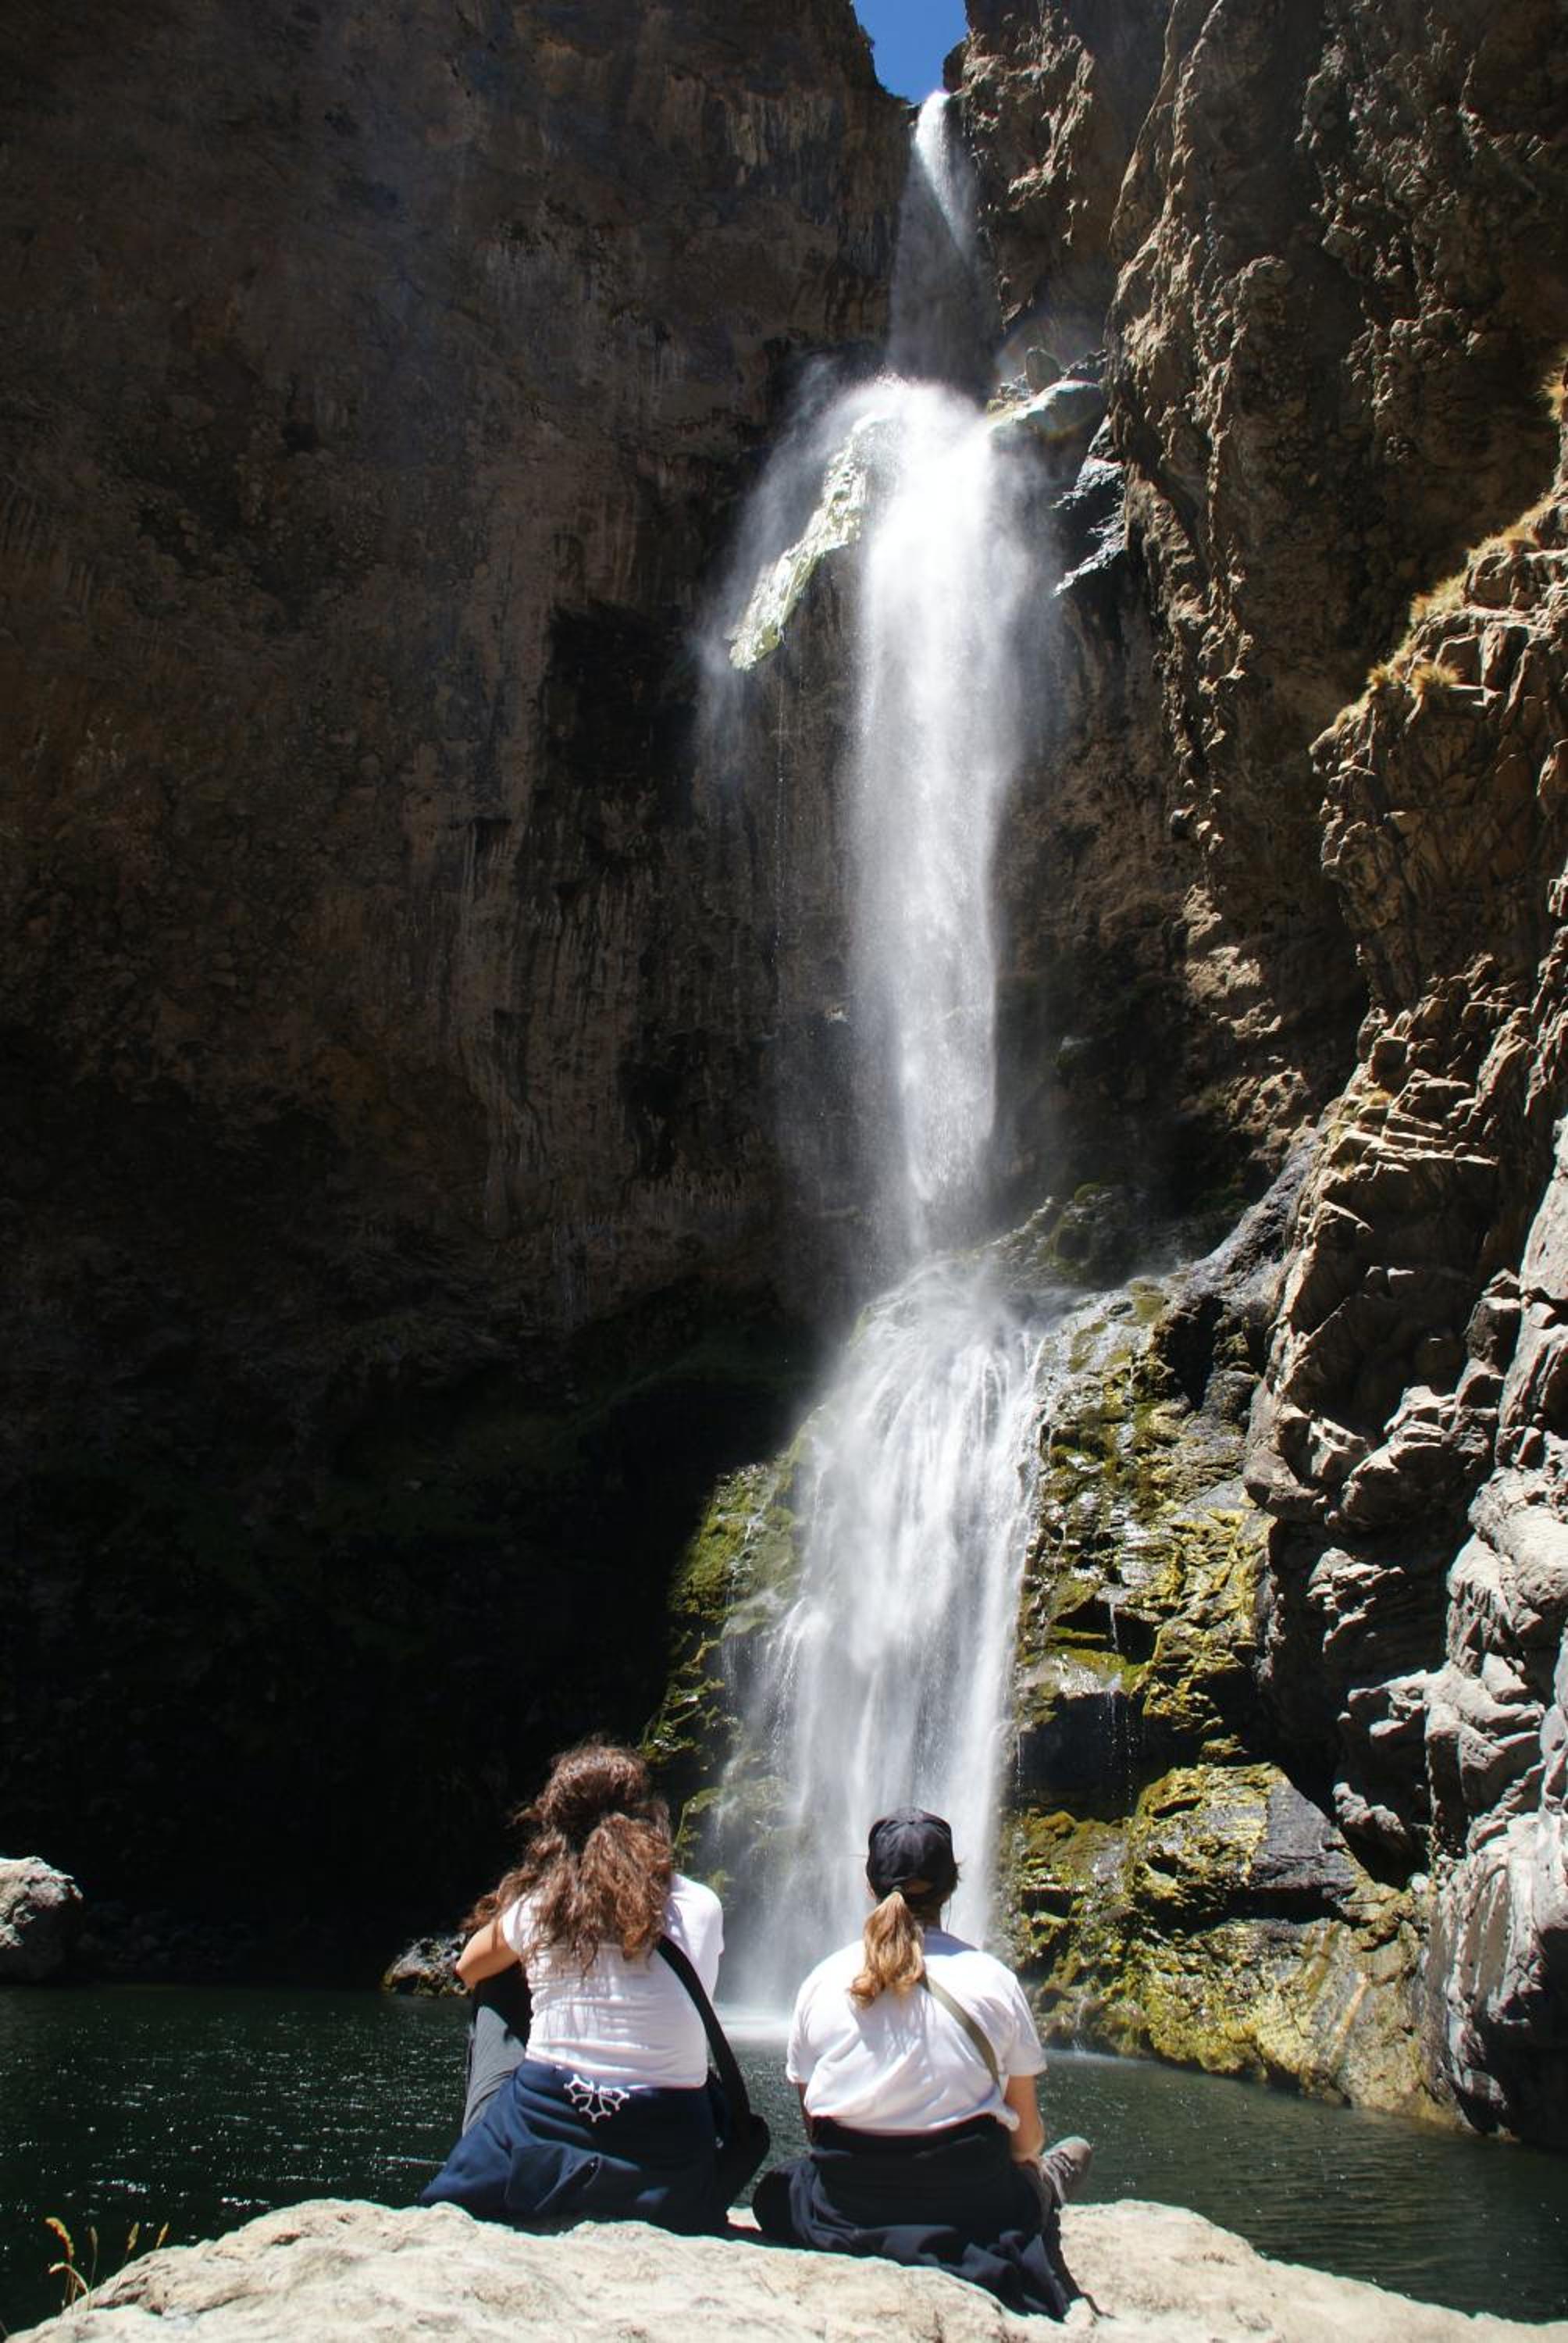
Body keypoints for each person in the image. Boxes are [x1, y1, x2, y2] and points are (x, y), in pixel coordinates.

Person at [753, 1808, 1088, 2318]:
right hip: (967, 2212)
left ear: (870, 1886)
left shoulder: (822, 1981)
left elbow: (816, 2129)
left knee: (777, 2192)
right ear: (952, 1886)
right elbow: (1026, 2140)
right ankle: (1047, 2186)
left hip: (849, 2210)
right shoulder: (993, 1979)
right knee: (1025, 2176)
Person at [419, 1739, 726, 2235]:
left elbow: (467, 1968)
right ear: (649, 1818)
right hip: (670, 2168)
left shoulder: (540, 1908)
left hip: (539, 2151)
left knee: (497, 1980)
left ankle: (492, 2150)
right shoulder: (702, 1906)